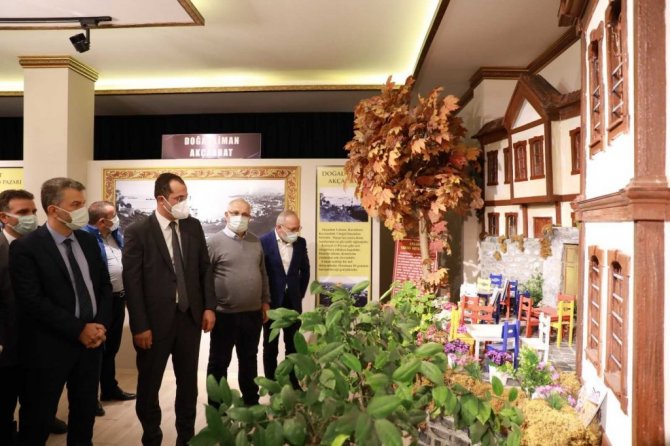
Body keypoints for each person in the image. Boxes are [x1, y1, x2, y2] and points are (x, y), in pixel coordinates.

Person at [10, 178, 112, 446]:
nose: (83, 210)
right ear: (54, 210)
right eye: (76, 204)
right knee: (38, 419)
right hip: (49, 347)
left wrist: (100, 325)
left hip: (92, 345)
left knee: (84, 414)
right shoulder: (27, 247)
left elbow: (103, 286)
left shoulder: (88, 241)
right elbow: (32, 300)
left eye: (83, 203)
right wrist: (79, 329)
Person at [123, 172, 216, 446]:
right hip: (153, 323)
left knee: (188, 385)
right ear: (161, 199)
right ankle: (152, 437)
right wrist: (140, 325)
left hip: (189, 318)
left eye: (185, 197)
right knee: (149, 386)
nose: (184, 202)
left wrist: (209, 307)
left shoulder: (192, 226)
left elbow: (205, 269)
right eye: (179, 198)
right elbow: (132, 282)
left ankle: (186, 438)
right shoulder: (138, 231)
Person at [207, 198, 270, 406]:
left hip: (252, 314)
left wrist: (265, 302)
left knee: (249, 359)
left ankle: (251, 402)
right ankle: (217, 407)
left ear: (250, 217)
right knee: (219, 362)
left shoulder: (255, 241)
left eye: (245, 214)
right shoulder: (214, 242)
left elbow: (263, 273)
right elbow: (204, 278)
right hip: (224, 314)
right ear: (226, 215)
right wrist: (208, 309)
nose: (240, 218)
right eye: (235, 213)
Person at [83, 201, 136, 416]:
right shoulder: (86, 238)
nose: (118, 218)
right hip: (99, 302)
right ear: (102, 221)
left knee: (112, 347)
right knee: (96, 350)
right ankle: (89, 398)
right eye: (114, 215)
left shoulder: (115, 235)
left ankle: (109, 388)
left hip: (118, 299)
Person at [259, 210, 310, 388]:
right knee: (270, 345)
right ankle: (272, 384)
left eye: (298, 228)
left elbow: (305, 271)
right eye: (292, 229)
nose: (296, 232)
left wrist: (299, 294)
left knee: (293, 345)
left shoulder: (301, 243)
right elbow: (260, 273)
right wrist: (263, 300)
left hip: (293, 302)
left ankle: (293, 383)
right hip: (271, 302)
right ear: (279, 227)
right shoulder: (263, 242)